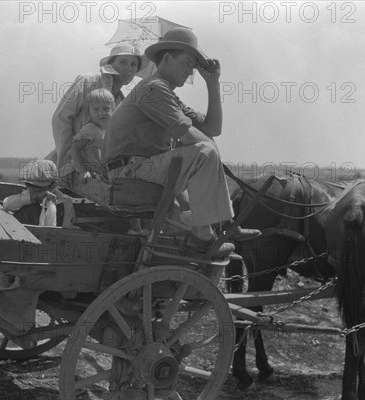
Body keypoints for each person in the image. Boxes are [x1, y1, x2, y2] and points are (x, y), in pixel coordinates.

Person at [102, 27, 260, 255]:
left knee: (207, 146)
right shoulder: (152, 89)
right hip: (128, 172)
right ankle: (204, 235)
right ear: (167, 58)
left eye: (193, 67)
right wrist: (212, 156)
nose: (190, 71)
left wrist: (212, 83)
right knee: (205, 150)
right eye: (187, 63)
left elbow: (213, 128)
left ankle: (218, 225)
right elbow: (193, 138)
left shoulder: (166, 93)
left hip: (137, 169)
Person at [60, 88, 145, 234]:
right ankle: (135, 227)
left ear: (113, 109)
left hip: (99, 171)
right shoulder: (90, 129)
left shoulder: (110, 131)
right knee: (119, 189)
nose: (101, 113)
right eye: (96, 109)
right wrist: (82, 171)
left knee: (129, 184)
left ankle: (136, 227)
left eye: (106, 108)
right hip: (79, 171)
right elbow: (74, 150)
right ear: (89, 111)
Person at [50, 43, 147, 172]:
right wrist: (67, 159)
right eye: (123, 62)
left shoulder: (121, 101)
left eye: (133, 64)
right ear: (111, 64)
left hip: (94, 168)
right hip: (68, 160)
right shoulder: (89, 81)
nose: (128, 68)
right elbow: (61, 118)